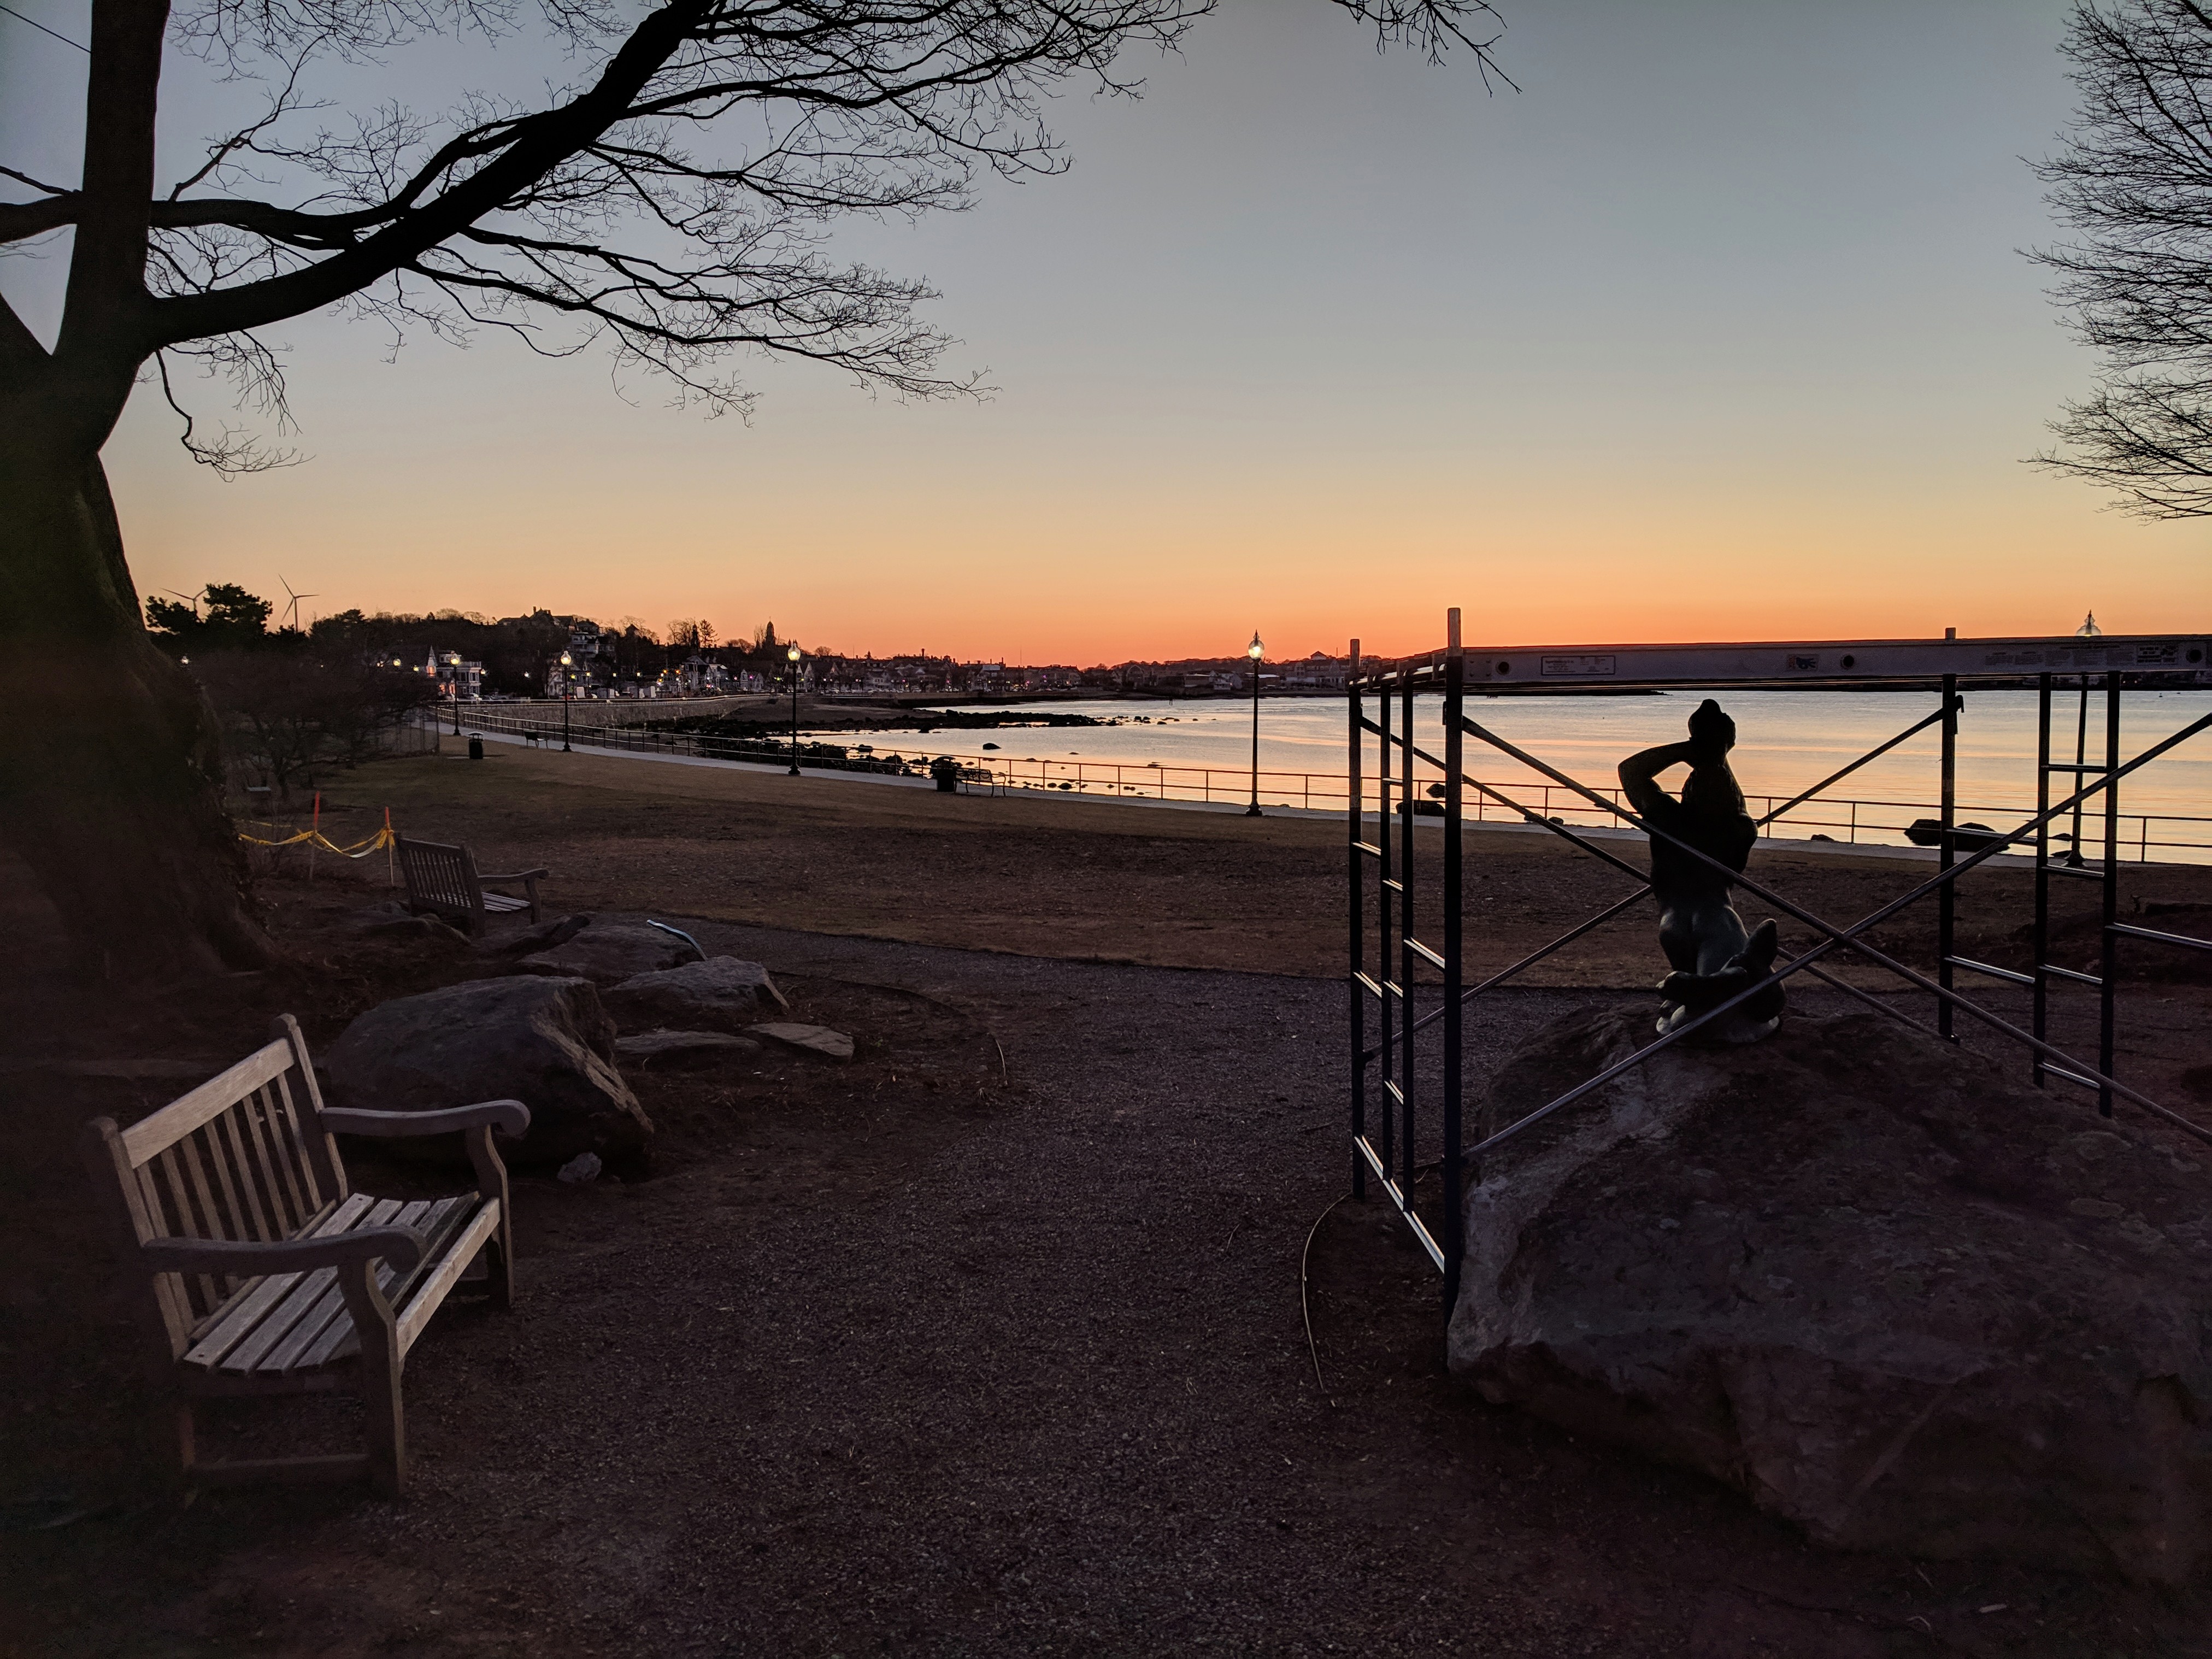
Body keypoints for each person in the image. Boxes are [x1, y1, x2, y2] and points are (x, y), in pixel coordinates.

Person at [1616, 699, 1786, 1040]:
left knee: (1705, 1017)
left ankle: (1708, 985)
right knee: (1724, 1015)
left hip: (1674, 922)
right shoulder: (1739, 829)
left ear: (1687, 791)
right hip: (1714, 920)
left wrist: (1691, 750)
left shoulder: (1671, 818)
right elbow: (1724, 792)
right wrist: (1716, 753)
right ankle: (1731, 978)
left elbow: (1631, 771)